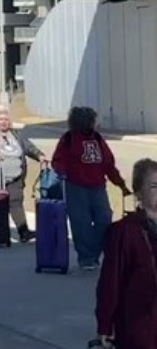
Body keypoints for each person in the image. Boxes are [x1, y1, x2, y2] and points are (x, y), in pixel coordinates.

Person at [96, 158, 157, 349]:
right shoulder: (125, 232)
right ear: (139, 193)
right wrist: (105, 324)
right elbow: (111, 281)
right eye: (154, 186)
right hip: (141, 337)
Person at [52, 106, 131, 270]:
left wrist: (121, 184)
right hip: (76, 187)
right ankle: (86, 258)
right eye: (93, 120)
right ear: (85, 122)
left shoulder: (98, 139)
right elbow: (58, 160)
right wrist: (61, 172)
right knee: (81, 223)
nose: (96, 123)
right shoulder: (69, 139)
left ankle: (93, 252)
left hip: (98, 187)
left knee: (104, 218)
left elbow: (108, 164)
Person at [0, 106, 48, 243]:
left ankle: (23, 232)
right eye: (1, 119)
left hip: (15, 178)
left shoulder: (15, 134)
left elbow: (28, 147)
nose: (4, 122)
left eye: (6, 119)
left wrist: (40, 156)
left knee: (16, 203)